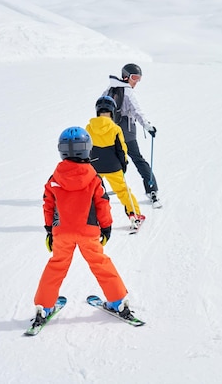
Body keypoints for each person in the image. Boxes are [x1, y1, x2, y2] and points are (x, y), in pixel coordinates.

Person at [32, 126, 138, 327]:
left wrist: (49, 230)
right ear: (87, 148)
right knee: (100, 263)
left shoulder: (54, 179)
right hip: (88, 232)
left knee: (56, 266)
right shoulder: (94, 178)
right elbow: (102, 204)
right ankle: (117, 302)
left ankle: (44, 307)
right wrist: (106, 228)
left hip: (62, 232)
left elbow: (48, 205)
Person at [101, 63, 161, 208]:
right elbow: (137, 110)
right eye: (134, 77)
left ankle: (98, 187)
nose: (136, 81)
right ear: (125, 76)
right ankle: (151, 189)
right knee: (138, 159)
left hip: (110, 131)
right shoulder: (128, 91)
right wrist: (147, 125)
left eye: (139, 78)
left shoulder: (110, 88)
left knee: (107, 159)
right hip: (127, 131)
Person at [86, 95, 145, 227]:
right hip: (113, 166)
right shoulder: (115, 128)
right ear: (112, 112)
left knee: (93, 193)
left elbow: (86, 147)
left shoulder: (89, 128)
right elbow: (121, 148)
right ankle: (134, 214)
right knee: (123, 191)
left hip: (95, 166)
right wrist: (123, 163)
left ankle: (90, 218)